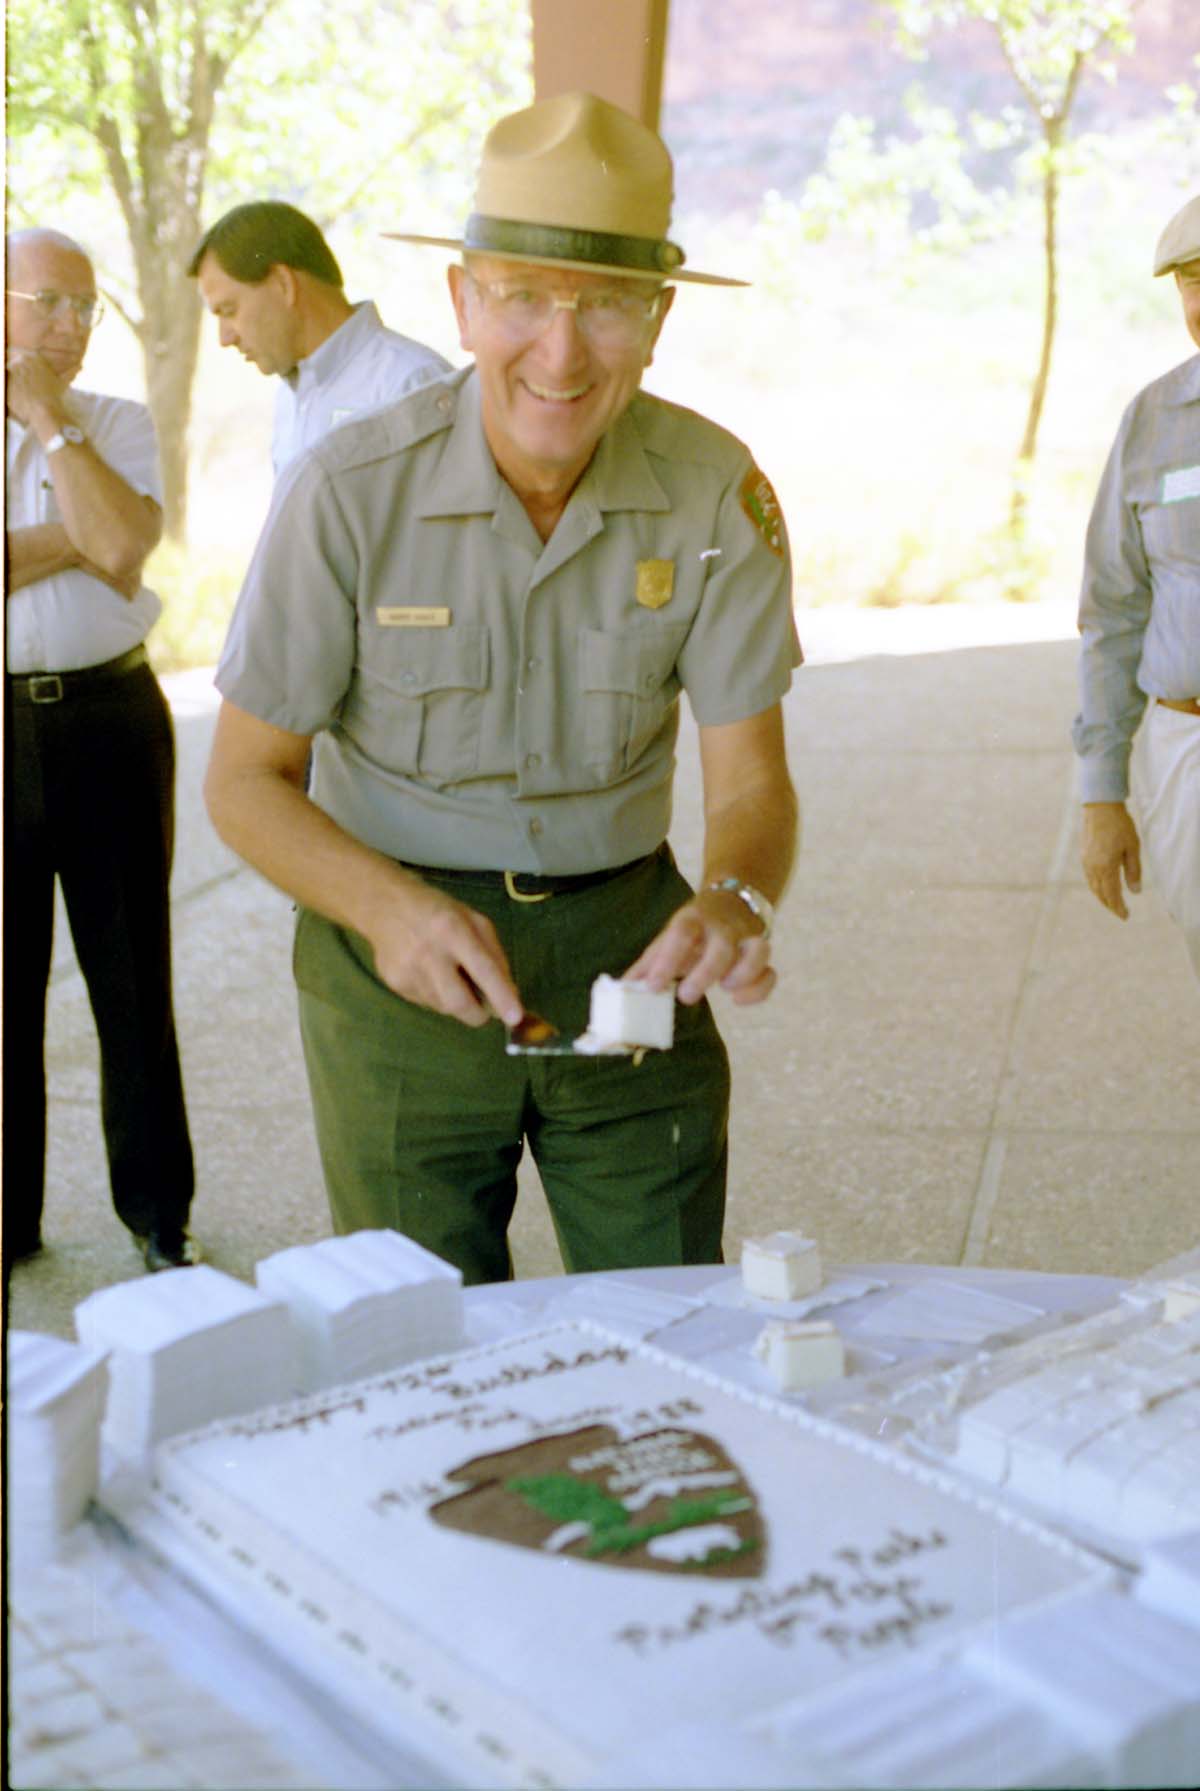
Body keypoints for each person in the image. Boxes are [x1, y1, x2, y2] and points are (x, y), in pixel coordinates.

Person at [204, 92, 801, 1284]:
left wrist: (734, 897)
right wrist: (386, 910)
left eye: (607, 306)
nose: (561, 351)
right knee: (421, 1343)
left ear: (659, 318)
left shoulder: (714, 493)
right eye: (523, 296)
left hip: (627, 947)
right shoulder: (350, 491)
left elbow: (753, 783)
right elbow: (244, 782)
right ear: (464, 301)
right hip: (393, 969)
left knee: (669, 1322)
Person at [5, 228, 196, 1273]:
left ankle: (158, 1216)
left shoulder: (115, 421)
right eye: (50, 303)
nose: (72, 327)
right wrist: (73, 536)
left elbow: (124, 546)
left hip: (111, 724)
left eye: (87, 308)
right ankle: (8, 1220)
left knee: (132, 981)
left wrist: (45, 422)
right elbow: (100, 538)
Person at [1075, 192, 1200, 981]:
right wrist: (1100, 795)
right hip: (1189, 748)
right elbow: (1112, 612)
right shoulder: (1154, 420)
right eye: (1193, 279)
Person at [188, 200, 451, 478]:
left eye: (229, 311)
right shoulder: (290, 401)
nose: (224, 338)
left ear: (283, 283)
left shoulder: (411, 384)